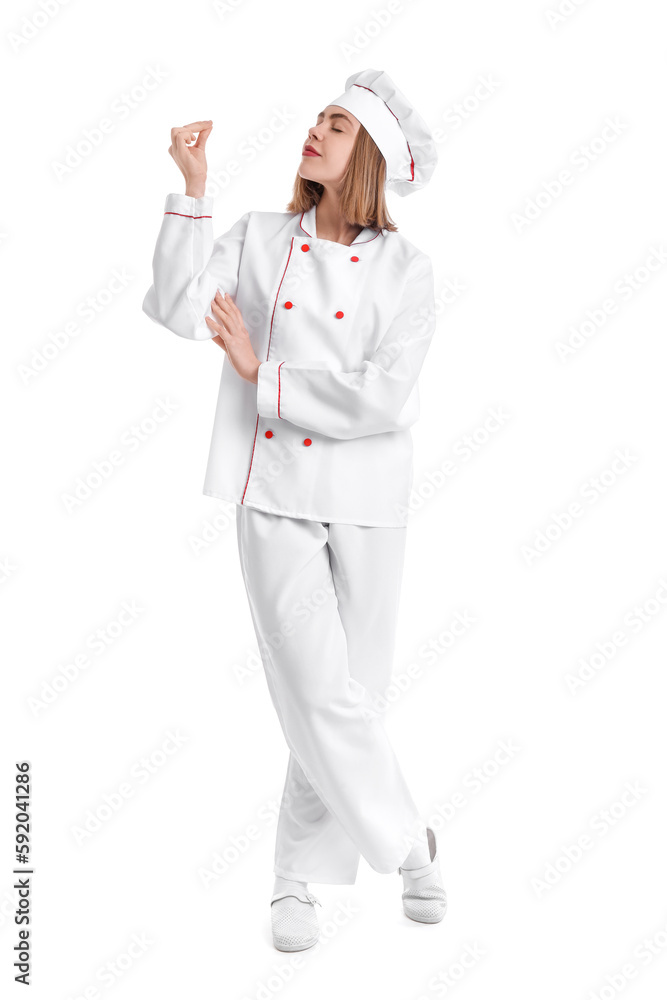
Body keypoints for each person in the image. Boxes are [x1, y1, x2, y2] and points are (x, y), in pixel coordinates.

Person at [142, 68, 447, 951]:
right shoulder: (260, 237)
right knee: (314, 689)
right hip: (270, 490)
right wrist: (193, 194)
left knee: (350, 696)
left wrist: (260, 374)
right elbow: (173, 308)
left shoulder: (407, 270)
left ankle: (294, 880)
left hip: (367, 499)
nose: (314, 130)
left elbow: (383, 397)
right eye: (317, 117)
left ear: (372, 158)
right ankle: (408, 848)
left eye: (338, 124)